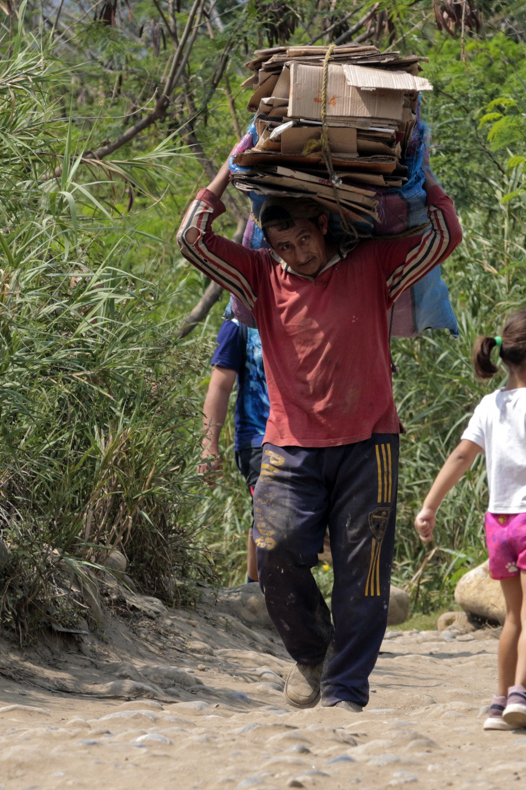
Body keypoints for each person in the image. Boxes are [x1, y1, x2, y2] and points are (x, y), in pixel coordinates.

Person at [177, 158, 462, 711]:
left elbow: (444, 235)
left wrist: (418, 167)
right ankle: (314, 654)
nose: (296, 253)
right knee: (276, 552)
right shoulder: (259, 276)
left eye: (304, 239)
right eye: (283, 244)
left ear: (324, 226)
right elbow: (192, 239)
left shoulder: (374, 264)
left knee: (365, 572)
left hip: (370, 443)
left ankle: (346, 689)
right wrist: (222, 176)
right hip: (288, 445)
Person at [414, 309, 526, 731]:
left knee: (515, 617)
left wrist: (429, 505)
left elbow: (461, 456)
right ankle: (524, 695)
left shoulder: (491, 404)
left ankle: (499, 703)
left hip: (500, 525)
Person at [201, 310, 270, 581]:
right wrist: (209, 446)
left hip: (306, 438)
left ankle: (266, 592)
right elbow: (219, 387)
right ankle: (257, 595)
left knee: (299, 523)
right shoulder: (239, 320)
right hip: (258, 439)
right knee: (267, 514)